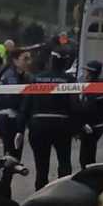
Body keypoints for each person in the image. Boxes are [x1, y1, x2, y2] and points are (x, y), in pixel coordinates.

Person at [19, 54, 74, 190]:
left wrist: (20, 128)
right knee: (64, 163)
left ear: (50, 62)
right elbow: (74, 105)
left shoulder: (36, 79)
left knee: (41, 165)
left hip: (38, 126)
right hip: (61, 126)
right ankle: (63, 193)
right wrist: (76, 127)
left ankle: (40, 194)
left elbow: (26, 105)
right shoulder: (69, 80)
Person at [0, 48, 33, 159]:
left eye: (29, 59)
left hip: (16, 119)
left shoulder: (24, 76)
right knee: (10, 158)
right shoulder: (10, 76)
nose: (28, 62)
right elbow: (13, 99)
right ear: (15, 61)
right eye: (25, 59)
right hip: (8, 120)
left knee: (15, 158)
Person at [73, 60, 103, 168]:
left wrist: (82, 123)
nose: (85, 74)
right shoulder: (93, 86)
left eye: (87, 72)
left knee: (86, 158)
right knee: (87, 156)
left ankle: (89, 179)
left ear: (92, 73)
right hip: (93, 125)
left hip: (92, 126)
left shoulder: (95, 88)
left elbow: (89, 108)